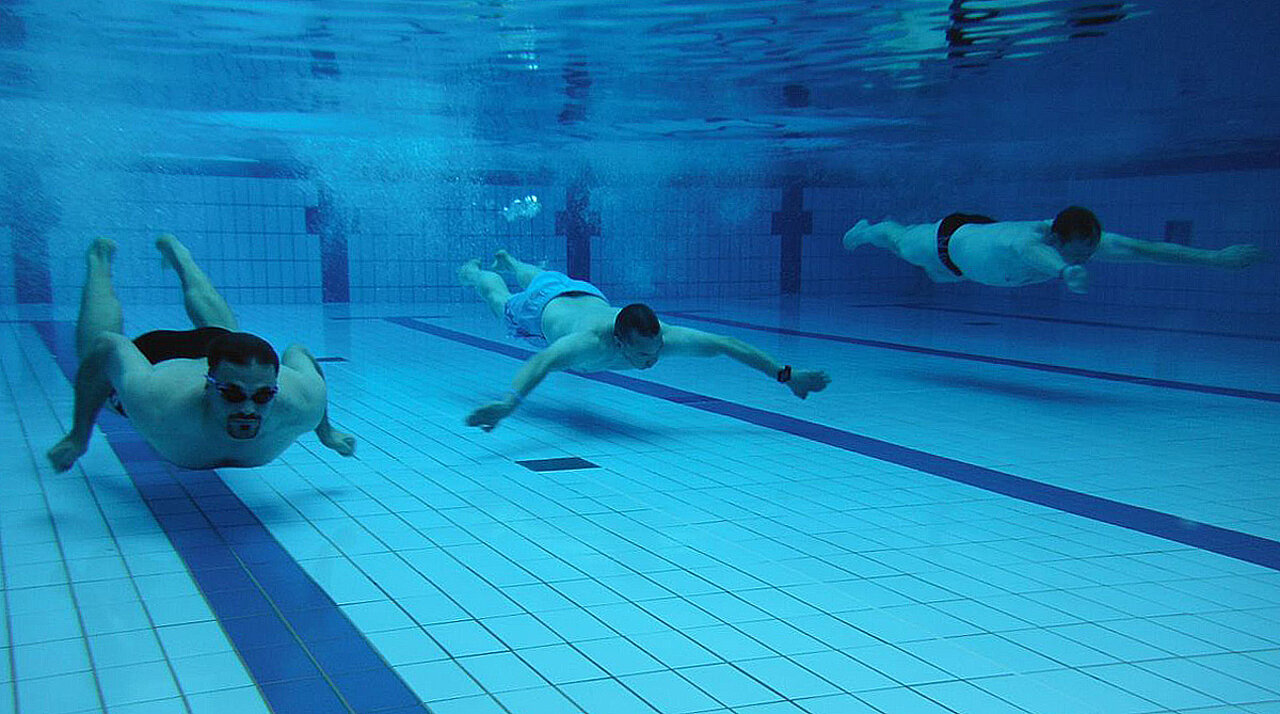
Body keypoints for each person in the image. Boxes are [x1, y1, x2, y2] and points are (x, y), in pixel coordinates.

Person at [47, 235, 356, 472]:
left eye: (263, 396)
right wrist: (78, 437)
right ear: (208, 385)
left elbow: (299, 352)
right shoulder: (157, 403)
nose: (248, 408)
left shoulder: (304, 403)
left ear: (275, 389)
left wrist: (326, 432)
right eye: (232, 394)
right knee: (91, 356)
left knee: (226, 333)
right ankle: (100, 258)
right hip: (158, 360)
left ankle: (179, 255)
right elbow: (108, 345)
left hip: (217, 347)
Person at [459, 250, 831, 431]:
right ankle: (476, 272)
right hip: (541, 311)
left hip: (582, 294)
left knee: (543, 276)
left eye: (655, 352)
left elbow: (726, 344)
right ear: (619, 343)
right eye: (642, 355)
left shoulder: (661, 338)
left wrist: (787, 375)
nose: (652, 361)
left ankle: (512, 260)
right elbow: (541, 362)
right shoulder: (588, 343)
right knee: (500, 300)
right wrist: (508, 404)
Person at [842, 206, 1264, 293]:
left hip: (969, 261)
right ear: (1059, 241)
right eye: (1078, 252)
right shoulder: (1031, 242)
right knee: (898, 241)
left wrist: (1214, 258)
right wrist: (1064, 271)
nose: (1087, 258)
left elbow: (1146, 249)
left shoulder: (1082, 243)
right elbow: (1030, 253)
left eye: (1090, 251)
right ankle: (867, 229)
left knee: (939, 278)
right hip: (948, 241)